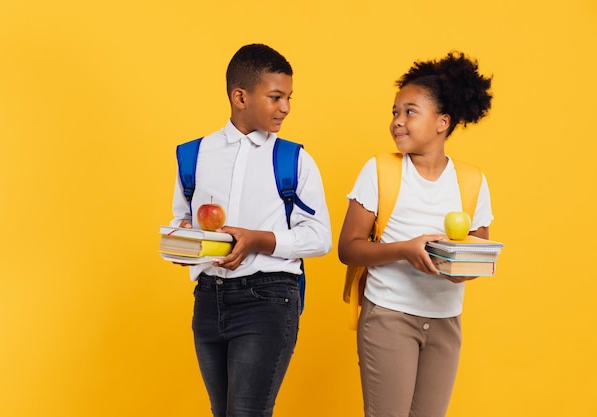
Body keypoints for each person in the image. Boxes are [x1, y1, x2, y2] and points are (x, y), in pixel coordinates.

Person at [169, 43, 332, 417]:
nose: (286, 107)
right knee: (222, 411)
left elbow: (320, 236)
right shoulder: (193, 155)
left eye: (289, 97)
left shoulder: (294, 159)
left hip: (269, 298)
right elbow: (183, 221)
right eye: (275, 97)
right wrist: (183, 245)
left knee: (247, 412)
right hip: (209, 298)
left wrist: (258, 240)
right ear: (239, 97)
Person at [338, 51, 494, 417]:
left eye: (410, 112)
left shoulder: (471, 180)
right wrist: (405, 250)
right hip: (389, 316)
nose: (397, 122)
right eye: (395, 112)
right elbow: (349, 248)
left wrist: (461, 267)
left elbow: (480, 253)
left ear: (442, 122)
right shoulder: (379, 171)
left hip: (445, 321)